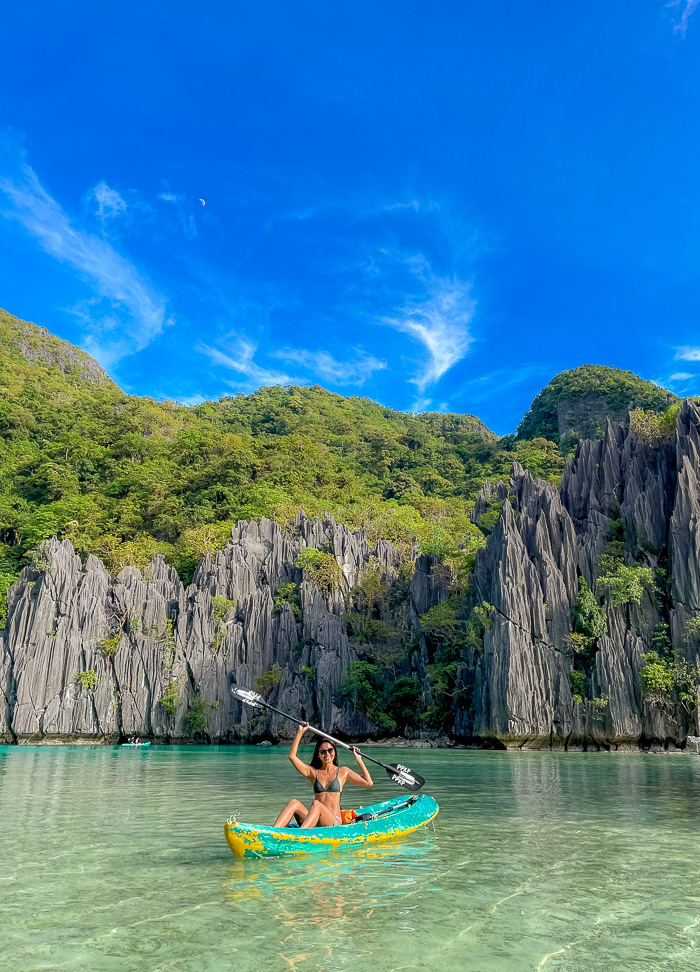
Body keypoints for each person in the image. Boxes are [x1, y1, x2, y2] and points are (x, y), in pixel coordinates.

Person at [274, 722, 373, 828]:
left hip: (334, 822)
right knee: (294, 802)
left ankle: (301, 835)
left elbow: (368, 782)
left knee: (316, 804)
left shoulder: (343, 772)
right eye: (323, 752)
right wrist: (300, 732)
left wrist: (358, 759)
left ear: (334, 752)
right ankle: (272, 833)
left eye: (330, 750)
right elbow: (292, 757)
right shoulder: (312, 772)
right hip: (315, 821)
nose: (327, 754)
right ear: (319, 755)